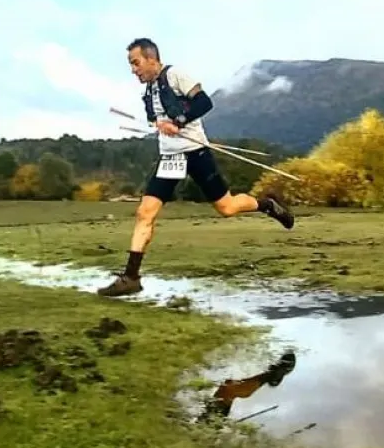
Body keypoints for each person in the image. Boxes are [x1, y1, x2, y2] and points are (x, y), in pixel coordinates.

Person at [98, 37, 294, 298]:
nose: (133, 70)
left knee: (227, 207)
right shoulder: (149, 91)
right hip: (169, 158)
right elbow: (156, 119)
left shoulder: (176, 75)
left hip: (196, 153)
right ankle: (131, 278)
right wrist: (159, 124)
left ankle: (267, 205)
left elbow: (204, 103)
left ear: (151, 58)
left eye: (136, 63)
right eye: (131, 65)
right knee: (145, 213)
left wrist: (178, 121)